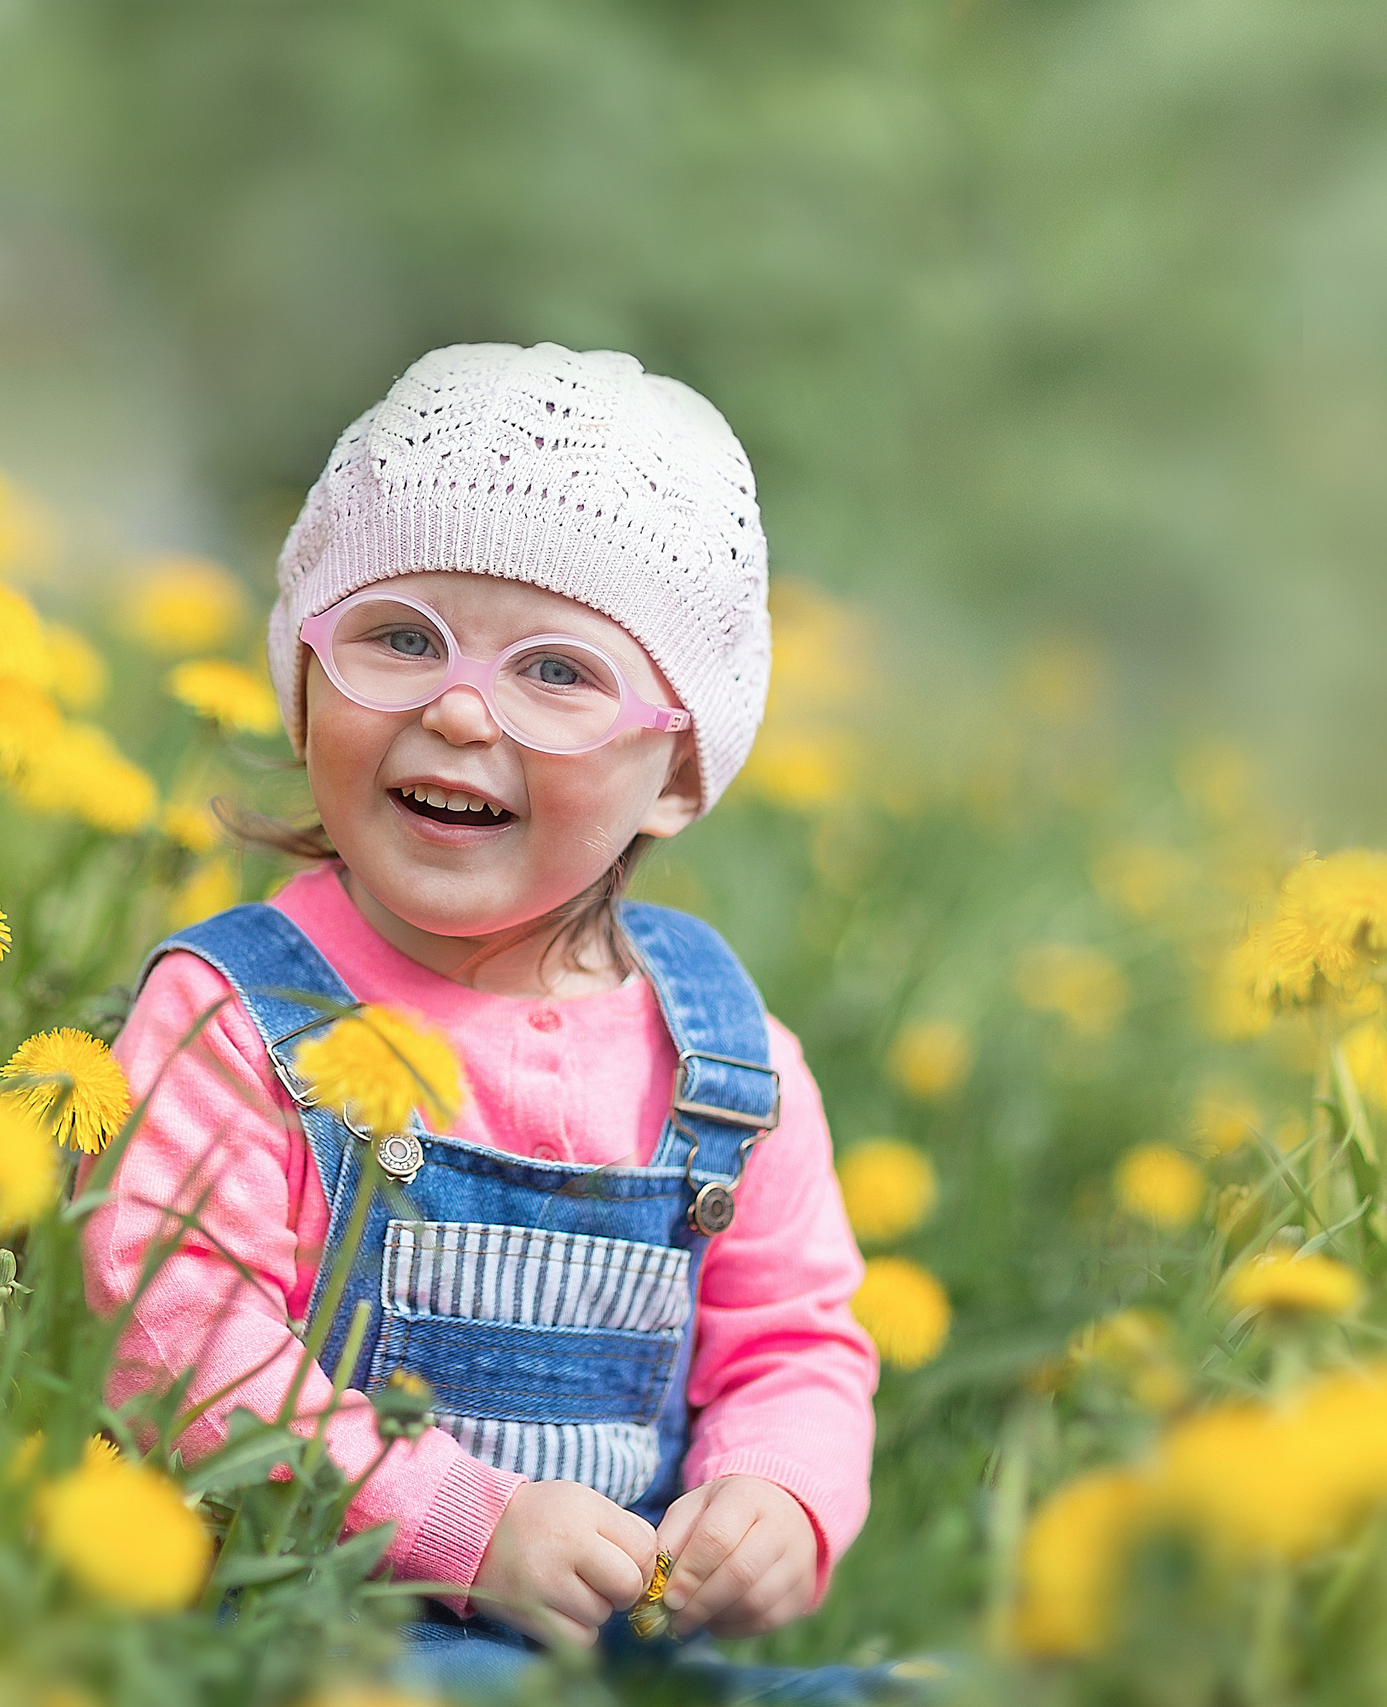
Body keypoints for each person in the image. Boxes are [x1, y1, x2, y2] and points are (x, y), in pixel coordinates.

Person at [84, 344, 892, 1697]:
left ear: (675, 775)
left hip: (620, 1655)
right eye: (398, 637)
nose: (458, 707)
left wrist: (781, 1498)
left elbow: (797, 1340)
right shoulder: (234, 1017)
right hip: (302, 1634)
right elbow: (170, 1333)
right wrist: (463, 1523)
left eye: (557, 672)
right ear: (303, 683)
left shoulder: (726, 1063)